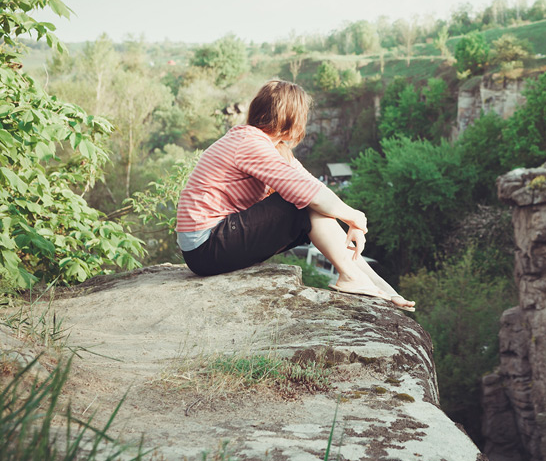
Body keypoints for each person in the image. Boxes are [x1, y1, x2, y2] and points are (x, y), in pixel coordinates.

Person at [176, 79, 415, 311]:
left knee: (308, 203)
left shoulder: (272, 147)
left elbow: (314, 188)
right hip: (205, 246)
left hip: (212, 244)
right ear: (291, 118)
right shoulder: (249, 142)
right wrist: (355, 217)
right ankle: (350, 276)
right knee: (300, 204)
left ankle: (358, 278)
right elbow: (311, 196)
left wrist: (388, 291)